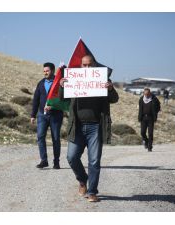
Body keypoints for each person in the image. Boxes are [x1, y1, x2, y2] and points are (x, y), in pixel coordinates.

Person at [59, 55, 119, 202]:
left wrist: (110, 88)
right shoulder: (74, 79)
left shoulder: (103, 80)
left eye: (89, 65)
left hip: (95, 127)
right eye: (84, 65)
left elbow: (114, 99)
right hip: (77, 126)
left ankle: (92, 192)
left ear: (94, 65)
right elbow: (63, 99)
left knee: (94, 161)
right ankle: (82, 180)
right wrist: (62, 86)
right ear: (81, 66)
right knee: (71, 157)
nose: (87, 68)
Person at [31, 62, 63, 169]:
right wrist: (33, 115)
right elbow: (36, 100)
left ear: (53, 71)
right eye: (44, 71)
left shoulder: (59, 82)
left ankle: (56, 162)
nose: (45, 73)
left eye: (47, 71)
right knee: (40, 137)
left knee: (55, 139)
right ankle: (44, 160)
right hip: (42, 115)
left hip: (56, 115)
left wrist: (53, 106)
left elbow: (62, 100)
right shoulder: (40, 83)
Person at [138, 87, 161, 152]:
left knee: (150, 133)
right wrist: (139, 117)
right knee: (142, 133)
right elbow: (140, 109)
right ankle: (147, 142)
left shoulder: (154, 99)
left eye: (148, 94)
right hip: (143, 118)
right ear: (144, 93)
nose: (146, 95)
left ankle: (149, 147)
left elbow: (159, 107)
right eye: (145, 94)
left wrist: (155, 113)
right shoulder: (141, 99)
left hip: (151, 118)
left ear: (150, 93)